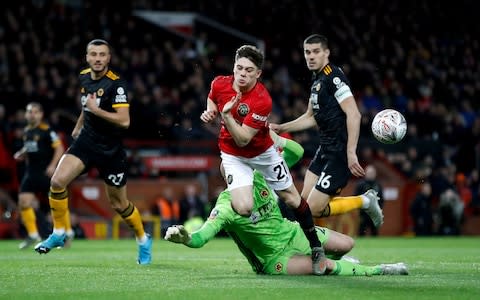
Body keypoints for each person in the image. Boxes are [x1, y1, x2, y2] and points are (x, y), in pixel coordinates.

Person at [165, 138, 407, 276]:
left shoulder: (261, 175)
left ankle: (346, 263)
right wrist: (185, 238)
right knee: (324, 267)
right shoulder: (227, 206)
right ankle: (380, 270)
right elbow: (200, 238)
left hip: (293, 233)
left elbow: (296, 152)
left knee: (347, 244)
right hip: (273, 259)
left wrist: (274, 138)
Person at [200, 45, 326, 274]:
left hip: (262, 154)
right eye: (239, 68)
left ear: (258, 73)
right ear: (233, 67)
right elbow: (212, 98)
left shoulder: (261, 100)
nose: (242, 74)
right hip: (232, 156)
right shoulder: (219, 83)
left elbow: (243, 140)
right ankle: (251, 217)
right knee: (244, 207)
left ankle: (316, 247)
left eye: (249, 70)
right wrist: (210, 111)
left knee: (292, 199)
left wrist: (226, 117)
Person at [34, 39, 152, 264]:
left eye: (102, 55)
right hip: (86, 142)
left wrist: (97, 111)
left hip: (111, 150)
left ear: (108, 58)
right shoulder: (84, 77)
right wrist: (79, 126)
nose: (98, 59)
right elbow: (86, 105)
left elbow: (124, 121)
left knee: (119, 204)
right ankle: (59, 232)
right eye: (94, 54)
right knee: (57, 182)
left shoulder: (116, 85)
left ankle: (142, 239)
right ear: (87, 57)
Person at [270, 34, 383, 226]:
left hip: (339, 153)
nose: (311, 56)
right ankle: (311, 251)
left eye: (316, 52)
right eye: (307, 52)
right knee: (300, 206)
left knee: (312, 209)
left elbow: (354, 114)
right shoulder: (316, 81)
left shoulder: (334, 76)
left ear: (326, 53)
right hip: (324, 150)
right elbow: (309, 117)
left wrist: (350, 152)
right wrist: (281, 127)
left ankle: (365, 201)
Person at [13, 102, 73, 249]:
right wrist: (22, 153)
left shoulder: (47, 130)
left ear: (41, 115)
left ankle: (68, 231)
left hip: (46, 172)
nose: (32, 114)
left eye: (35, 112)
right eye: (29, 112)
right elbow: (31, 148)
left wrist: (53, 165)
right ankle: (33, 235)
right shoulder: (27, 131)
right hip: (31, 172)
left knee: (57, 201)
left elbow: (60, 148)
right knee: (23, 202)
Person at [354, 164, 384, 236]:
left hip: (374, 213)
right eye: (369, 173)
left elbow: (382, 198)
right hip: (363, 213)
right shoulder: (360, 184)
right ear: (365, 173)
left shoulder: (378, 184)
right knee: (361, 230)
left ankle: (375, 246)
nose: (371, 175)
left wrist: (379, 208)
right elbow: (355, 197)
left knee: (374, 231)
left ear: (375, 174)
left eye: (372, 173)